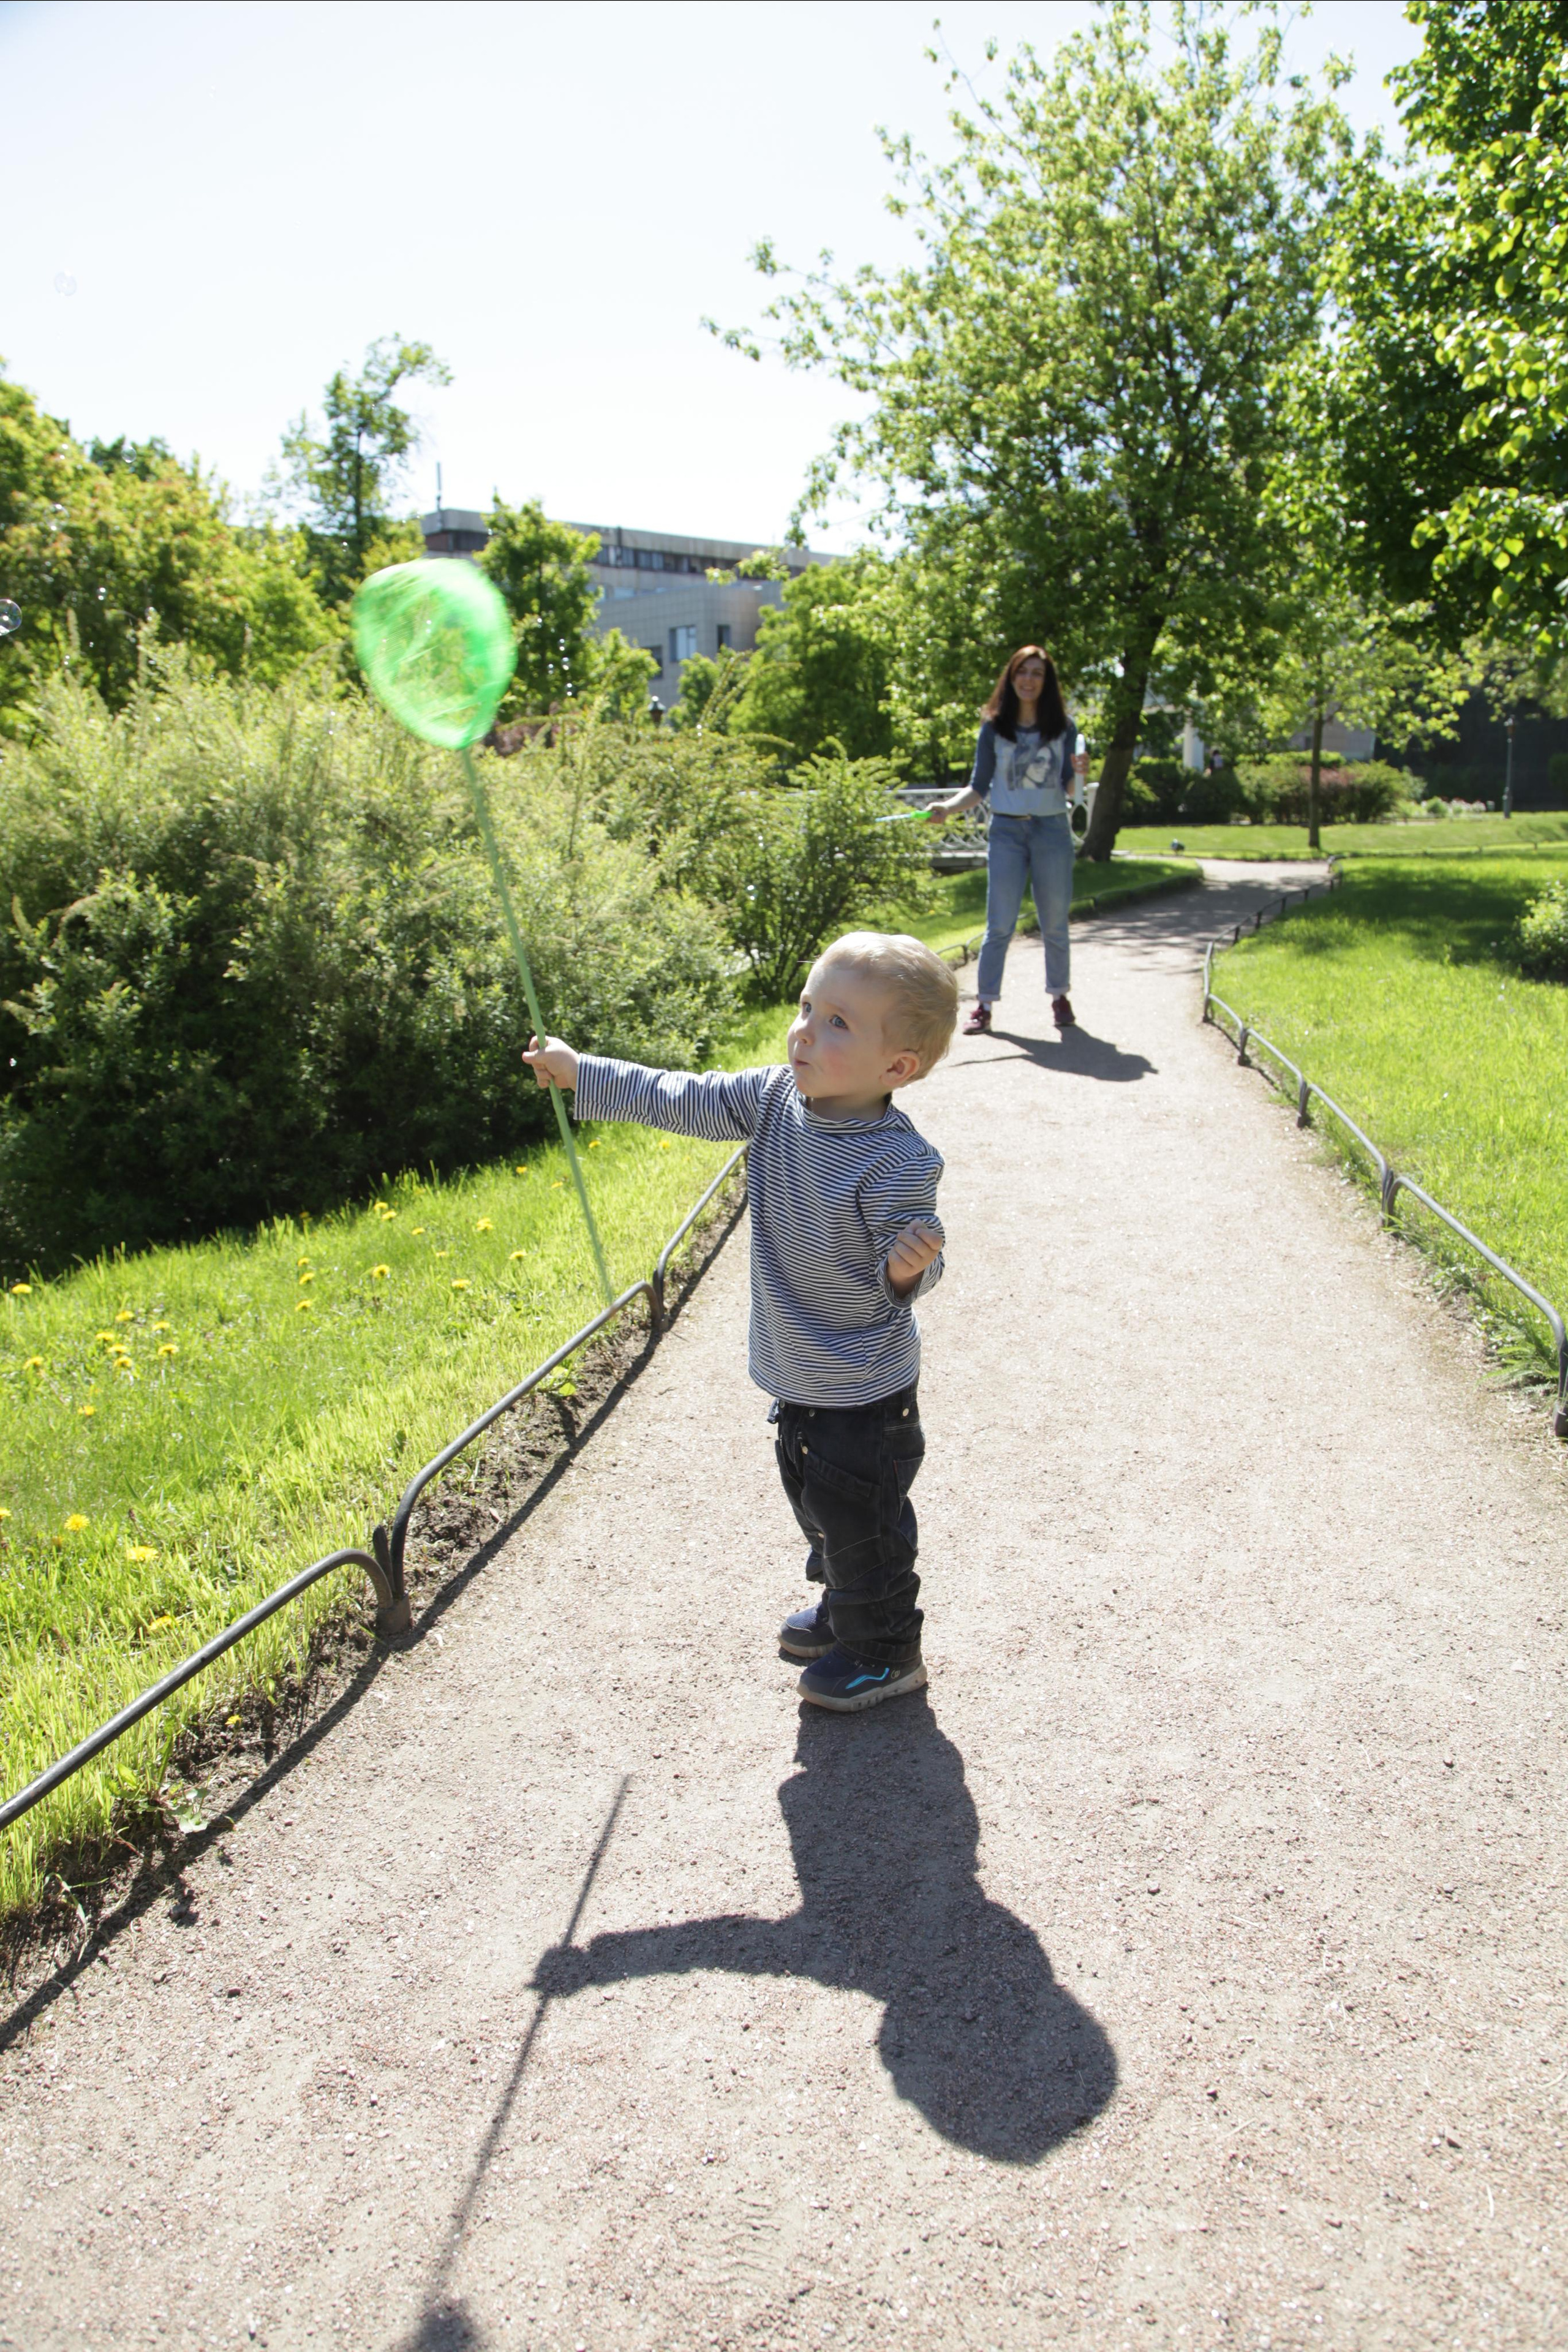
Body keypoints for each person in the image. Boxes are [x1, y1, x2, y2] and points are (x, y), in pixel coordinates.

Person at [522, 932, 959, 1713]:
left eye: (837, 1023)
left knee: (863, 1524)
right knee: (818, 1510)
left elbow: (917, 1267)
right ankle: (842, 1611)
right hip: (796, 1376)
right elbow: (677, 1096)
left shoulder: (896, 1161)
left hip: (861, 1392)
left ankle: (885, 1650)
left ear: (898, 1068)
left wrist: (906, 1265)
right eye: (805, 1007)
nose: (803, 1030)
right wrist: (582, 1071)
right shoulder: (768, 1101)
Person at [929, 644, 1088, 1035]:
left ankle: (1059, 996)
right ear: (1012, 677)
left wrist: (1080, 771)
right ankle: (984, 1006)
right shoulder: (994, 728)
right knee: (999, 923)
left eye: (1037, 673)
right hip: (1007, 831)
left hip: (1051, 829)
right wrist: (947, 808)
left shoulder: (1065, 729)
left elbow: (1072, 791)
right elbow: (978, 787)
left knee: (1054, 923)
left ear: (1046, 681)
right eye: (1023, 672)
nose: (1029, 680)